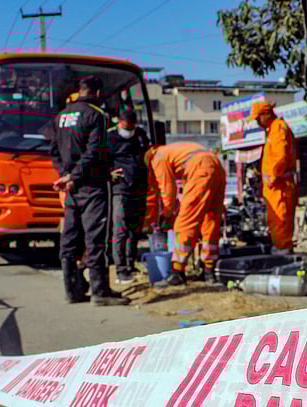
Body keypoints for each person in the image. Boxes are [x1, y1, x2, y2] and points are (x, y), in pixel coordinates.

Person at [51, 75, 128, 306]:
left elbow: (53, 151)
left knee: (69, 238)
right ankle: (99, 293)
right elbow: (94, 152)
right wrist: (74, 176)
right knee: (95, 239)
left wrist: (65, 176)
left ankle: (71, 291)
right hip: (91, 187)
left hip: (71, 189)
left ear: (79, 91)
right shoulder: (96, 115)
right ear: (96, 93)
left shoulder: (61, 117)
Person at [145, 143, 226, 287]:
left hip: (200, 170)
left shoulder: (157, 158)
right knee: (211, 221)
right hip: (216, 166)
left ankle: (177, 272)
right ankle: (209, 271)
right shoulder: (174, 150)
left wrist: (167, 214)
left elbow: (167, 189)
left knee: (185, 222)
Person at [249, 102, 298, 254]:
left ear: (267, 115)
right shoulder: (273, 130)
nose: (257, 122)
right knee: (276, 218)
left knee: (280, 218)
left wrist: (273, 176)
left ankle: (283, 248)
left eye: (258, 118)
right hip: (276, 185)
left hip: (279, 185)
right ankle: (281, 246)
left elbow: (281, 156)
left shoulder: (277, 129)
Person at [108, 110, 150, 284]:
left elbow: (148, 154)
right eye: (126, 127)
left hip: (139, 188)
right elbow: (98, 159)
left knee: (135, 230)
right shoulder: (109, 138)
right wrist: (108, 173)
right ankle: (120, 270)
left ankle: (130, 264)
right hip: (120, 189)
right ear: (119, 123)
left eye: (132, 127)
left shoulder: (140, 135)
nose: (129, 130)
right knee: (120, 229)